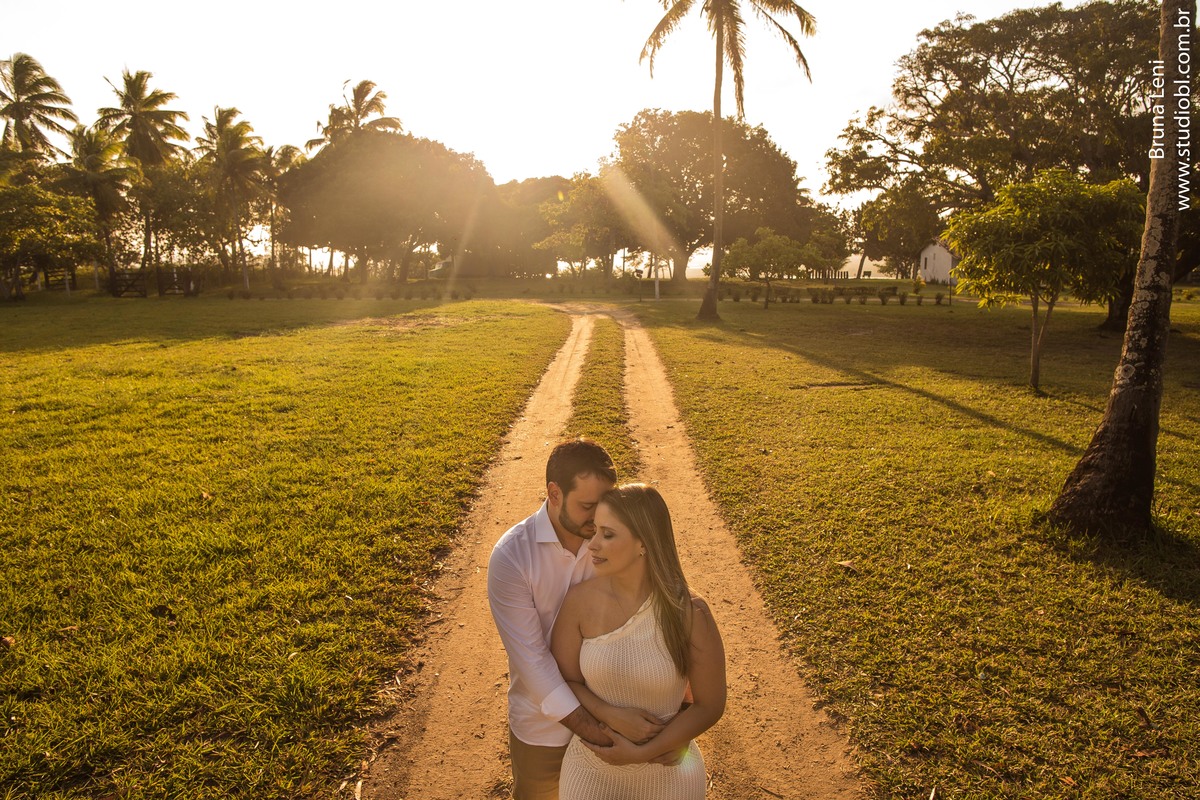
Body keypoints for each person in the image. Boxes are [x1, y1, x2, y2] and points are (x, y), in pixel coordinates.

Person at [551, 484, 726, 800]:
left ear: (643, 542)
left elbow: (710, 705)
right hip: (591, 772)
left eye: (607, 534)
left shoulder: (690, 612)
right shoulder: (578, 602)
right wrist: (608, 713)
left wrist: (645, 752)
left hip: (668, 773)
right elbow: (564, 681)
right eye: (595, 531)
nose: (592, 545)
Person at [488, 439, 627, 799]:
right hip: (544, 729)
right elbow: (533, 661)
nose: (599, 518)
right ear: (554, 493)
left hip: (619, 712)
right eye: (587, 506)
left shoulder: (617, 539)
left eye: (606, 504)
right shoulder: (512, 557)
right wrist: (598, 732)